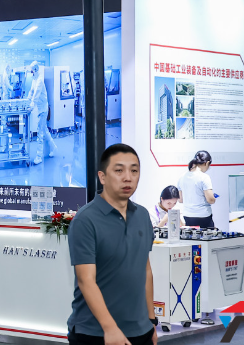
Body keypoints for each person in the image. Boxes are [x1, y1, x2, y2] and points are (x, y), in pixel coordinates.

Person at [67, 143, 156, 345]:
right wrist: (110, 328)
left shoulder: (142, 215)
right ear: (102, 177)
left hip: (141, 330)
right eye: (119, 170)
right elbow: (86, 280)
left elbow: (145, 270)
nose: (128, 177)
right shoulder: (85, 220)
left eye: (134, 171)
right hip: (95, 333)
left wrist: (151, 321)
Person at [177, 150, 215, 229]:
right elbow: (210, 200)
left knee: (191, 236)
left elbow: (180, 199)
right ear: (207, 163)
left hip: (187, 216)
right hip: (204, 216)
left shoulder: (182, 177)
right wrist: (213, 197)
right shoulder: (204, 177)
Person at [30, 62, 56, 165]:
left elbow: (36, 94)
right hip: (40, 108)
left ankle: (39, 156)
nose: (31, 73)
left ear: (35, 70)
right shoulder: (35, 79)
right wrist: (27, 100)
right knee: (44, 129)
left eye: (32, 71)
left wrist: (31, 105)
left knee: (40, 132)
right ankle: (53, 147)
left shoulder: (40, 80)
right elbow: (32, 91)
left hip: (43, 109)